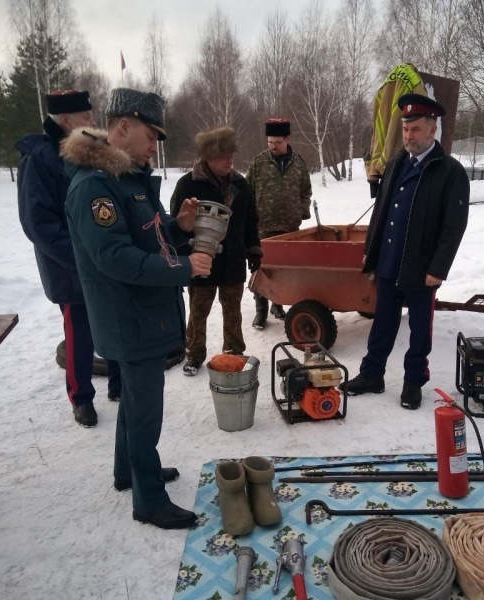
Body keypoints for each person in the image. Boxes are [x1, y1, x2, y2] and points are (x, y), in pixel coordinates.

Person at [62, 88, 212, 529]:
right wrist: (184, 268)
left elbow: (144, 232)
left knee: (133, 401)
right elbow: (116, 257)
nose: (154, 146)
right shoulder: (95, 186)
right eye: (150, 136)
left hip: (139, 313)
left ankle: (128, 470)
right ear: (123, 127)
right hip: (129, 317)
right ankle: (148, 499)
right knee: (145, 408)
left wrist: (176, 225)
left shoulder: (125, 177)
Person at [340, 93, 469, 410]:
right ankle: (372, 375)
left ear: (432, 129)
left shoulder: (450, 172)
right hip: (388, 262)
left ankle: (413, 382)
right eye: (405, 129)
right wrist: (370, 251)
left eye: (415, 129)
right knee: (382, 323)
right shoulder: (397, 162)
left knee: (419, 331)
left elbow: (454, 227)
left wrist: (438, 269)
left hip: (421, 268)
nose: (408, 136)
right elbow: (381, 210)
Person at [16, 89, 121, 428]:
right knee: (80, 332)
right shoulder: (40, 159)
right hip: (70, 266)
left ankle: (119, 384)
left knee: (114, 321)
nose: (93, 121)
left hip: (103, 259)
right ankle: (81, 399)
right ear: (64, 120)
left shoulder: (91, 151)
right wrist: (81, 259)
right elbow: (38, 224)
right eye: (85, 116)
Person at [169, 126, 261, 377]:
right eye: (223, 156)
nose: (230, 161)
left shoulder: (240, 184)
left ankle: (234, 355)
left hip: (233, 260)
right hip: (201, 261)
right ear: (207, 157)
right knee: (198, 312)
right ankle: (195, 355)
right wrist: (182, 257)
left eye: (231, 155)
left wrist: (254, 251)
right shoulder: (188, 184)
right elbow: (176, 224)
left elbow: (250, 221)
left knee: (233, 312)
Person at [246, 118, 312, 329]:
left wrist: (302, 211)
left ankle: (278, 304)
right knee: (261, 268)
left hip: (289, 228)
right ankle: (261, 310)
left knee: (285, 269)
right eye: (270, 142)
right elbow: (247, 192)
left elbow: (306, 191)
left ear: (287, 139)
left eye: (277, 142)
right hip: (263, 227)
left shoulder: (299, 163)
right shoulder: (258, 163)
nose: (273, 146)